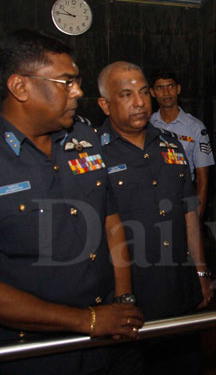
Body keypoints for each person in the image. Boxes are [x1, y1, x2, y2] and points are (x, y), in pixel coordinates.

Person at [0, 31, 143, 374]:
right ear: (20, 87)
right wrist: (86, 320)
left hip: (110, 339)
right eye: (66, 82)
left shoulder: (84, 137)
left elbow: (111, 221)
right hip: (33, 352)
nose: (78, 92)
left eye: (77, 82)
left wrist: (123, 301)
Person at [96, 61, 213, 374]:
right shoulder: (92, 154)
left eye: (144, 92)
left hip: (178, 287)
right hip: (129, 296)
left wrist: (201, 272)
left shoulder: (170, 143)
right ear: (105, 105)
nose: (139, 101)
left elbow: (189, 211)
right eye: (126, 95)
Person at [149, 71, 214, 220]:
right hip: (153, 200)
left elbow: (202, 180)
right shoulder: (147, 126)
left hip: (183, 198)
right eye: (160, 88)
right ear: (152, 92)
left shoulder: (195, 127)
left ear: (178, 89)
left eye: (170, 86)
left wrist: (197, 218)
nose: (166, 92)